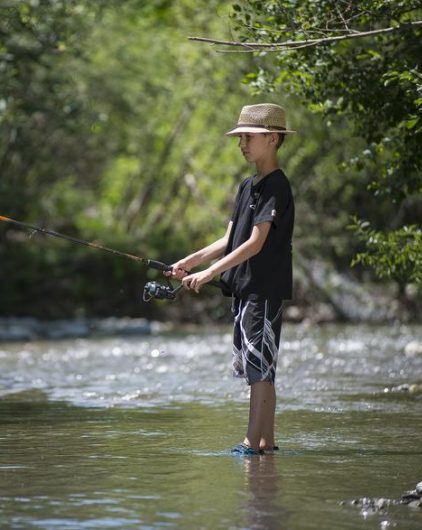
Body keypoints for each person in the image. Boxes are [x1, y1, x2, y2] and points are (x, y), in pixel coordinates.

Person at [168, 103, 295, 456]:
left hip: (263, 291)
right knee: (259, 367)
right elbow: (229, 240)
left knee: (260, 370)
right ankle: (266, 444)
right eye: (240, 137)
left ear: (272, 138)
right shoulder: (246, 186)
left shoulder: (277, 187)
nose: (242, 143)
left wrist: (210, 273)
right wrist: (189, 262)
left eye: (248, 137)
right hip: (244, 291)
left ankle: (251, 444)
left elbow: (256, 243)